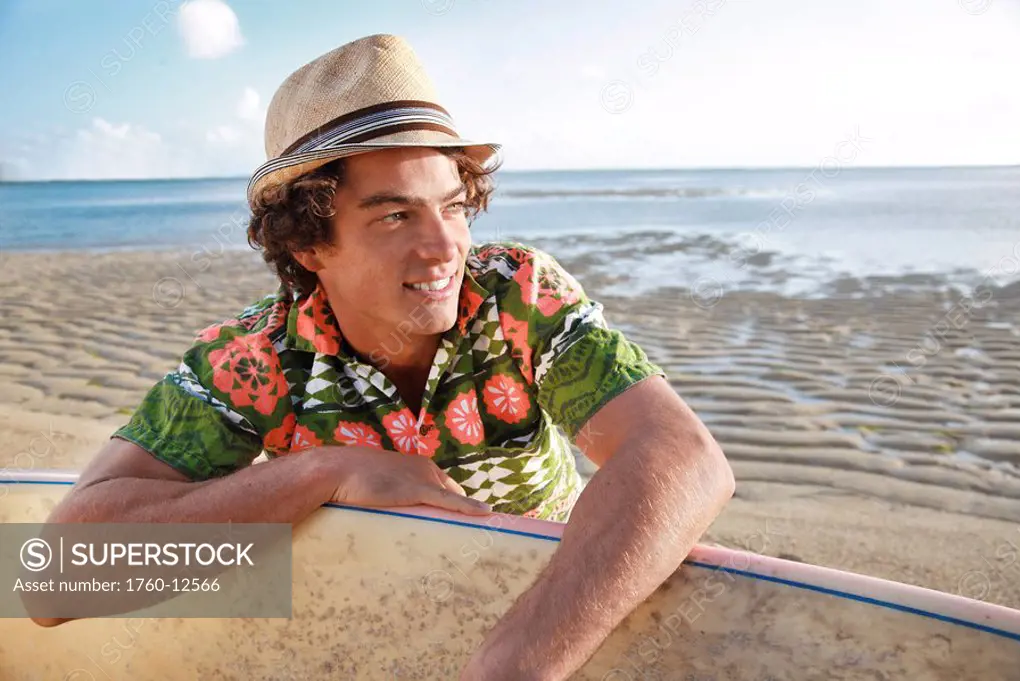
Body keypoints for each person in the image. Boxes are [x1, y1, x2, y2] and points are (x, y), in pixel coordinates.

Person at [41, 34, 735, 680]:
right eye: (395, 215)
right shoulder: (256, 360)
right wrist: (330, 469)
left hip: (559, 619)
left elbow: (685, 459)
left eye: (455, 205)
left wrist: (509, 667)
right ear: (309, 245)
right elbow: (57, 579)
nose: (444, 247)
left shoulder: (518, 295)